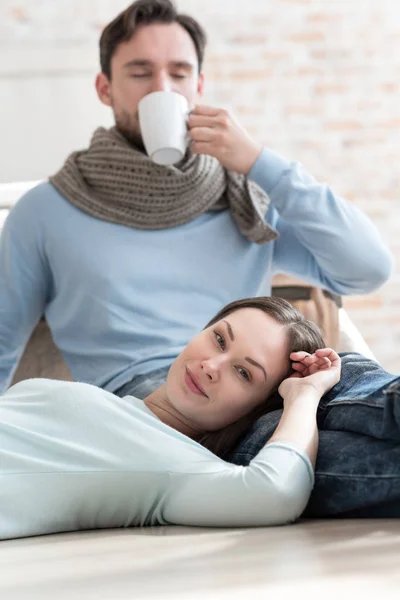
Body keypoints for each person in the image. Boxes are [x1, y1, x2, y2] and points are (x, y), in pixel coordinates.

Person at [0, 0, 393, 397]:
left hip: (258, 393)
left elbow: (366, 269)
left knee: (365, 383)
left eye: (179, 73)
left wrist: (260, 162)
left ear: (199, 87)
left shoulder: (246, 200)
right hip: (146, 408)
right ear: (105, 89)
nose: (161, 89)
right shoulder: (46, 211)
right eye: (140, 73)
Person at [0, 297, 336, 540]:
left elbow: (275, 492)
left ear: (255, 409)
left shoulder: (174, 465)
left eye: (243, 373)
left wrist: (305, 394)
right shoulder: (119, 408)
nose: (211, 366)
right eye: (219, 339)